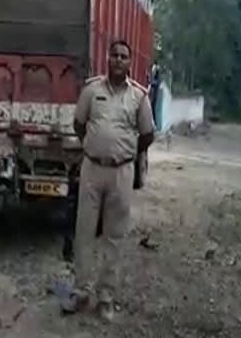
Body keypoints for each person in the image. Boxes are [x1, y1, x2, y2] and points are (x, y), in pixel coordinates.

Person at [64, 40, 155, 321]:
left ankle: (106, 298)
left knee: (114, 237)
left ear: (129, 63)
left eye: (123, 57)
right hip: (92, 169)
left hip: (122, 173)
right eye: (114, 55)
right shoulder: (92, 90)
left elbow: (147, 134)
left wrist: (125, 152)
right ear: (107, 59)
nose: (118, 60)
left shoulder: (139, 97)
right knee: (84, 233)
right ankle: (81, 293)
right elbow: (78, 125)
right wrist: (94, 147)